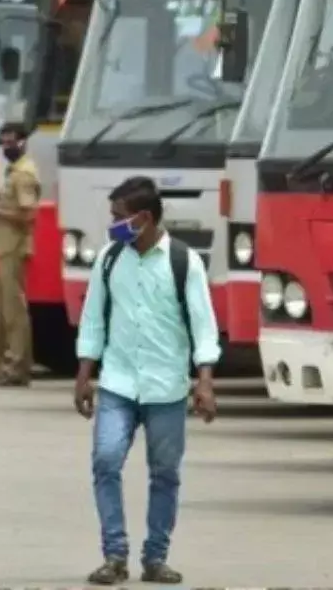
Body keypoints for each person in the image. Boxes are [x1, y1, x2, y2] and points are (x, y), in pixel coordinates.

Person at [73, 176, 221, 585]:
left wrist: (204, 382)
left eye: (118, 217)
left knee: (165, 473)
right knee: (105, 461)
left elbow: (203, 327)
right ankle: (114, 554)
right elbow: (92, 321)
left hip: (167, 387)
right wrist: (84, 376)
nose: (113, 224)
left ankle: (155, 557)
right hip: (118, 384)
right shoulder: (108, 258)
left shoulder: (183, 261)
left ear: (143, 218)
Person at [0, 122, 40, 386]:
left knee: (13, 312)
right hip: (4, 247)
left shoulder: (24, 174)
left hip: (13, 248)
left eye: (11, 141)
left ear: (23, 142)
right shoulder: (13, 171)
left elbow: (29, 215)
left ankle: (17, 367)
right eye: (3, 142)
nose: (6, 147)